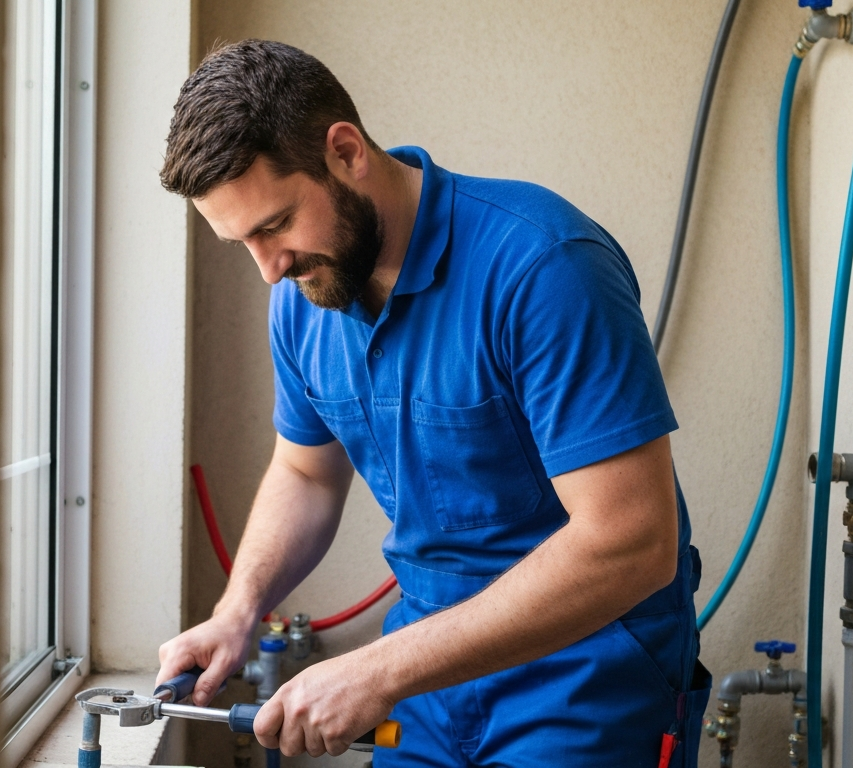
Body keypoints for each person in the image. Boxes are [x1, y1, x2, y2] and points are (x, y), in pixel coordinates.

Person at [156, 39, 710, 767]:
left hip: (587, 678)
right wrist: (237, 611)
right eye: (242, 243)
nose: (269, 270)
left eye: (275, 225)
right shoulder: (305, 296)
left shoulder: (544, 266)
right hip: (427, 687)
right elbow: (305, 475)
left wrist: (379, 669)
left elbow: (633, 542)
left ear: (346, 152)